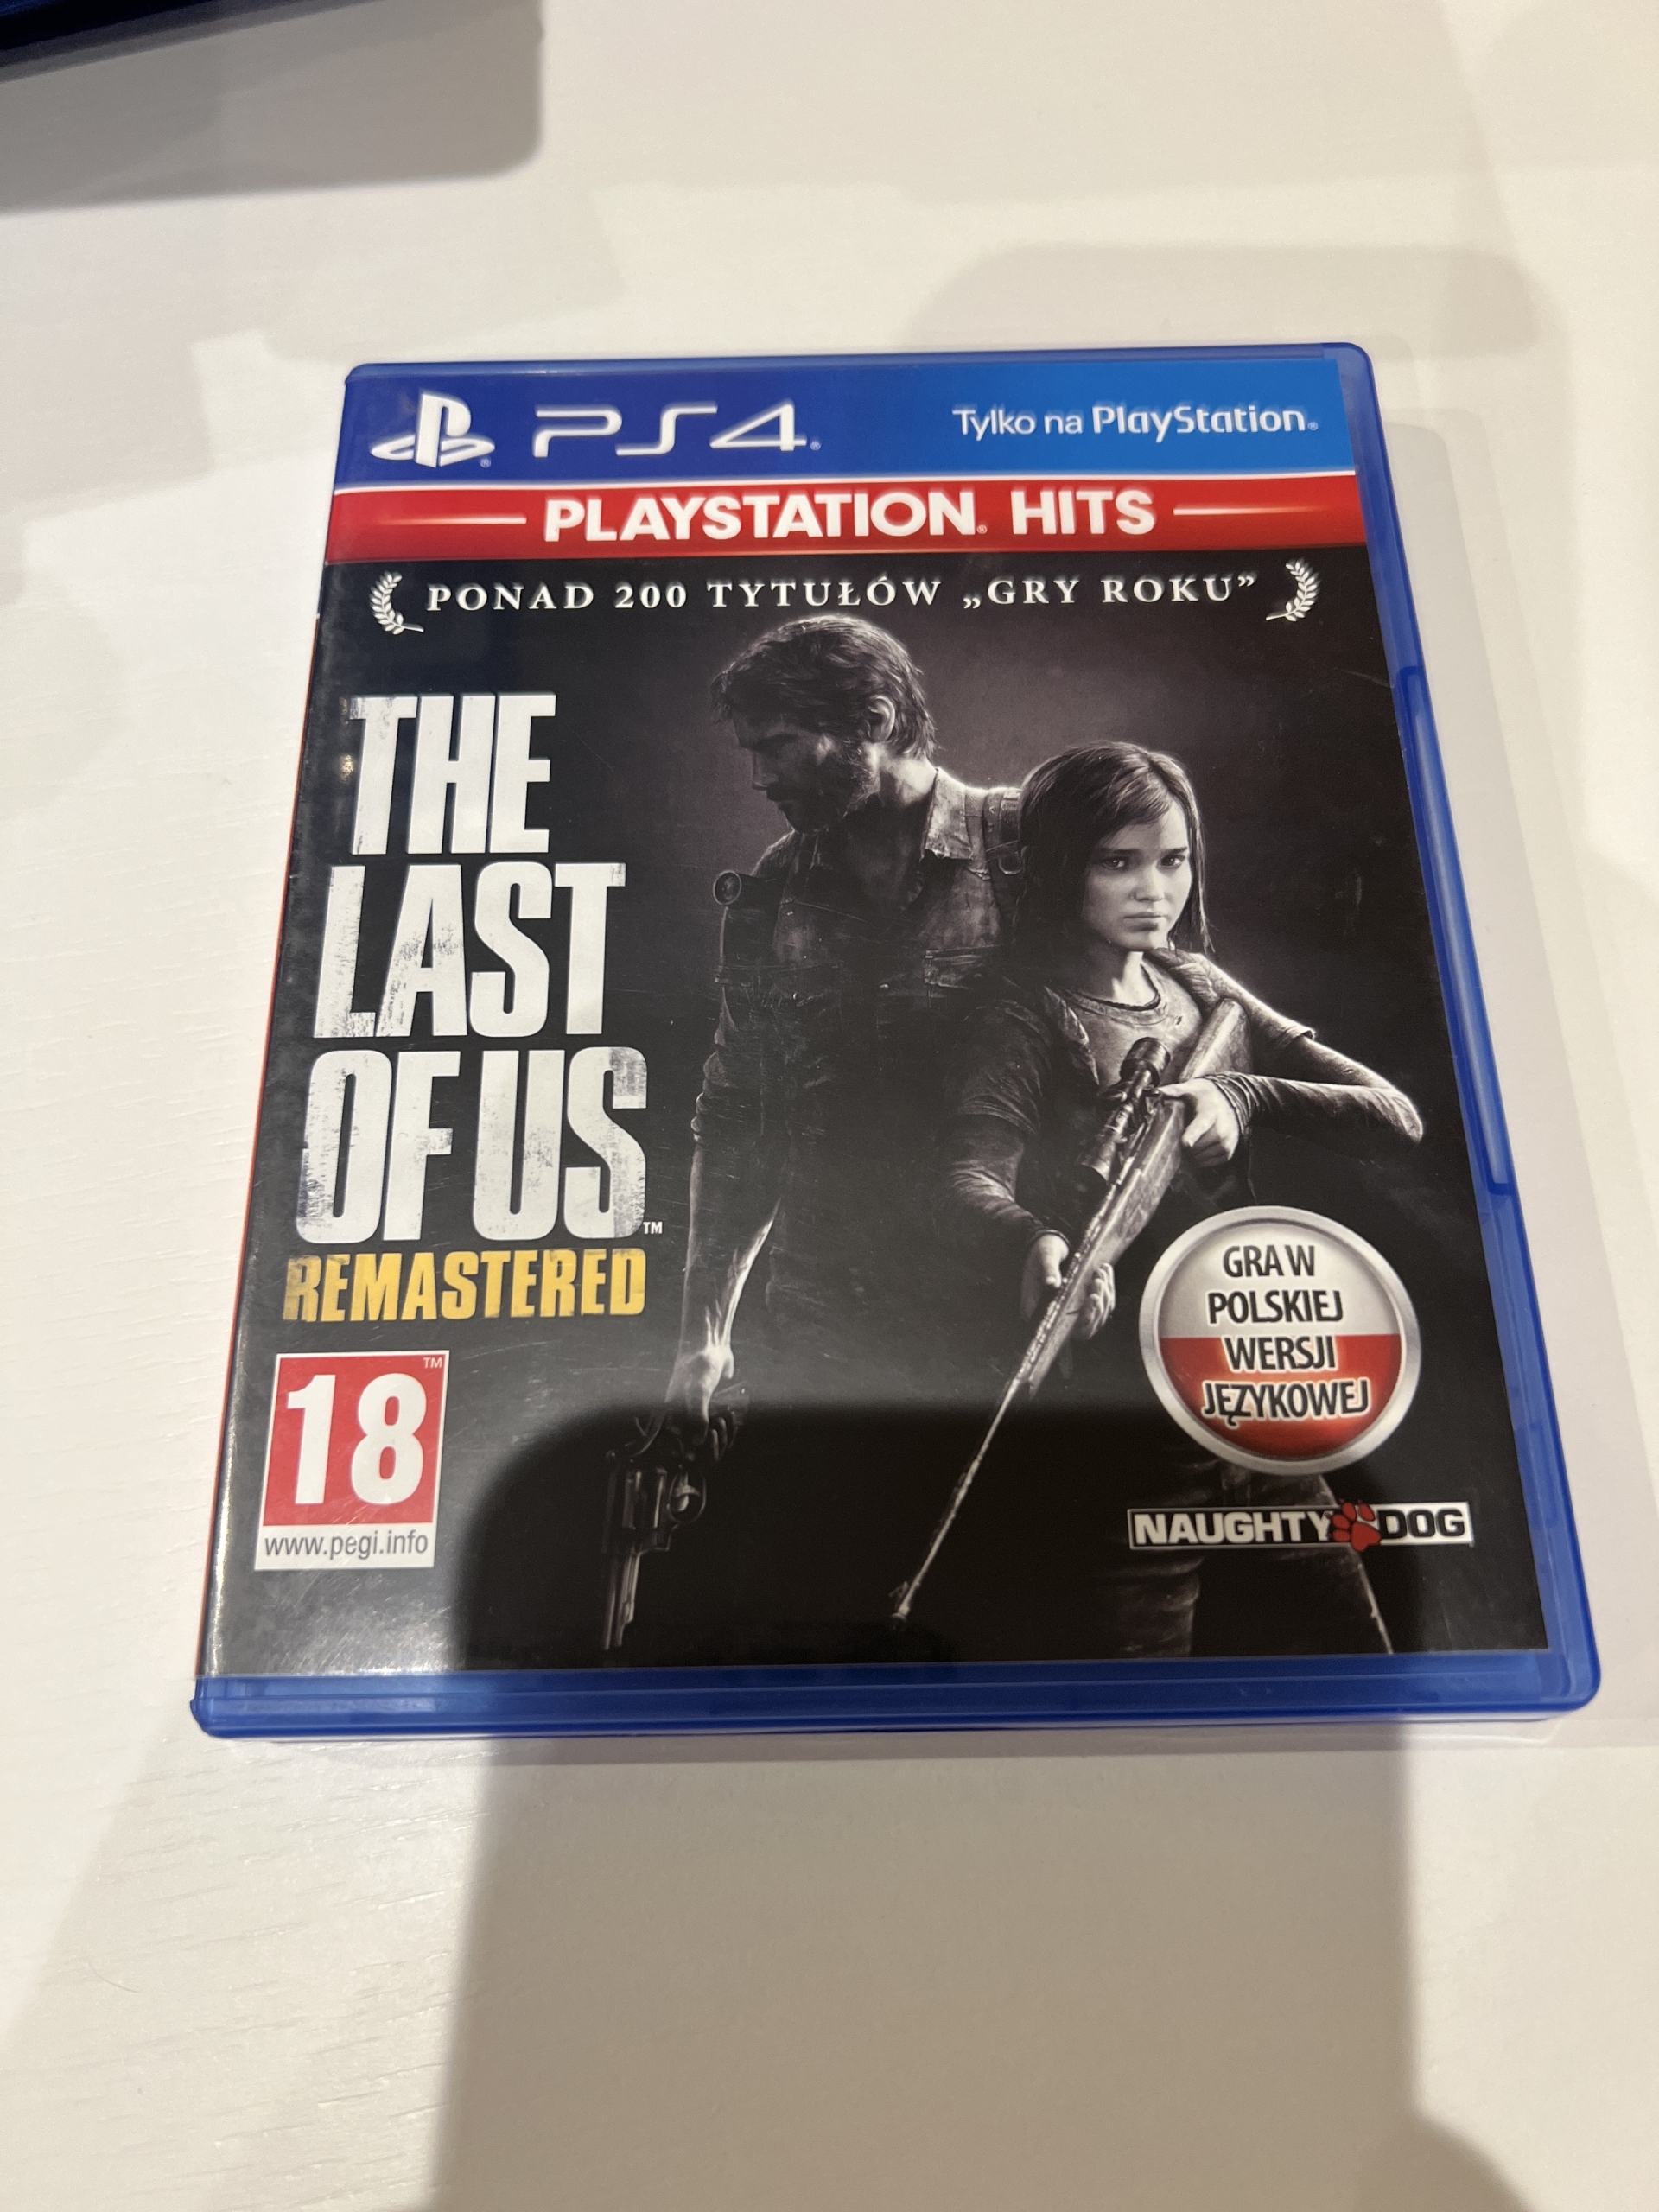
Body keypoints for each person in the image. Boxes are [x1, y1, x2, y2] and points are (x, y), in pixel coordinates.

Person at [938, 741, 1424, 1658]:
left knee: (1357, 1666)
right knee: (1132, 1697)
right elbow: (967, 1174)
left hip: (1251, 1389)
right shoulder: (1021, 1012)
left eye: (1173, 860)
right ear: (1057, 866)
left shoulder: (1196, 984)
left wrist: (1243, 1096)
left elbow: (1393, 1115)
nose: (1153, 891)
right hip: (1125, 1428)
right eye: (1117, 862)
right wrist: (1028, 1238)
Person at [666, 615, 1020, 1442]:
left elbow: (1148, 1022)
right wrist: (704, 1338)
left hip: (1007, 1317)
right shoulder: (775, 886)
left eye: (780, 746)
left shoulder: (1023, 847)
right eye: (751, 751)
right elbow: (743, 1114)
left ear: (874, 721)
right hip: (824, 1326)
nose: (760, 777)